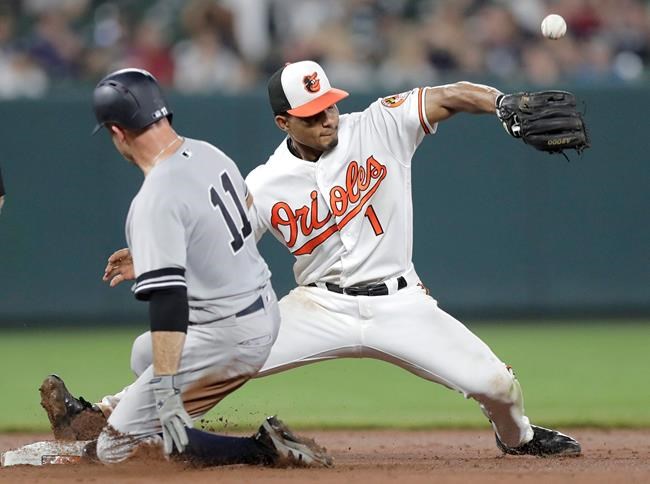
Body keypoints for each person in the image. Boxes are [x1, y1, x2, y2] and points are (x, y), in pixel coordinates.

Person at [43, 61, 580, 458]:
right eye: (310, 113)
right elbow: (221, 234)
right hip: (316, 308)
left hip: (402, 303)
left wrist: (502, 103)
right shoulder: (265, 183)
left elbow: (450, 94)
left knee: (498, 387)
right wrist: (154, 254)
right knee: (226, 354)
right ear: (283, 123)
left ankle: (520, 439)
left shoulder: (379, 126)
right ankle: (101, 417)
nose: (327, 117)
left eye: (329, 103)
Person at [42, 67, 331, 467]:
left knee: (113, 450)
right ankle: (154, 423)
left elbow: (168, 304)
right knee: (145, 354)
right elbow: (241, 221)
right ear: (163, 114)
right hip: (262, 312)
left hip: (229, 336)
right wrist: (154, 256)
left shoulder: (154, 198)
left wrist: (166, 392)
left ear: (117, 132)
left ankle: (262, 448)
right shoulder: (209, 153)